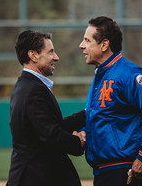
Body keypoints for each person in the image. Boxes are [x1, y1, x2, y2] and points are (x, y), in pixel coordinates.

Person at [79, 16, 142, 186]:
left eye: (87, 40)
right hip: (105, 171)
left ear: (104, 44)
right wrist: (84, 132)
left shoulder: (128, 73)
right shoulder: (101, 75)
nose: (82, 45)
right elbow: (108, 118)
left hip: (124, 172)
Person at [6, 30, 86, 186]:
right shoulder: (34, 89)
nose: (56, 57)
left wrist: (89, 114)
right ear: (33, 56)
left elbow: (49, 127)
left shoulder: (24, 86)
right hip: (36, 178)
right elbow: (51, 135)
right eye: (50, 52)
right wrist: (78, 142)